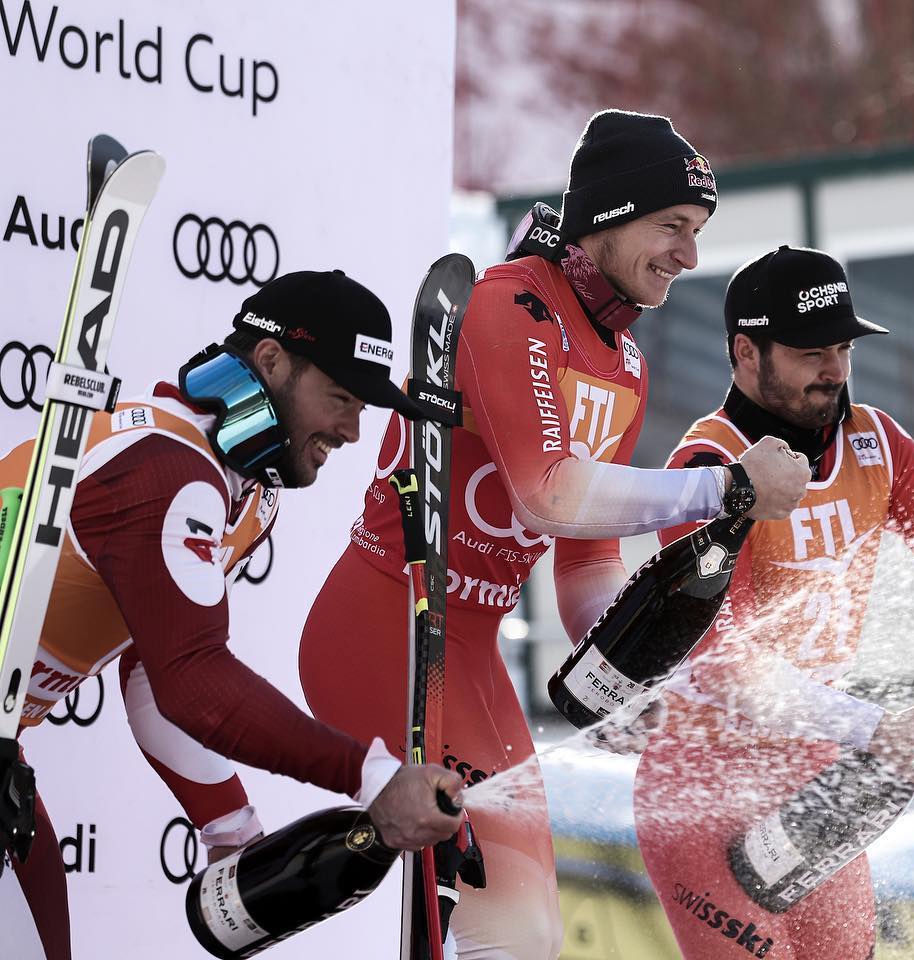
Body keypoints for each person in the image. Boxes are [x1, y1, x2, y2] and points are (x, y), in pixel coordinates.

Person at [297, 110, 811, 959]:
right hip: (386, 626)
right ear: (609, 215)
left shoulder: (625, 361)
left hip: (472, 651)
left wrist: (631, 661)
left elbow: (587, 559)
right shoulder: (511, 304)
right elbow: (547, 495)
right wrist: (730, 487)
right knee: (485, 911)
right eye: (671, 228)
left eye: (697, 234)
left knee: (526, 935)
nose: (689, 256)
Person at [0, 270, 465, 960]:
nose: (350, 429)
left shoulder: (247, 497)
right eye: (340, 397)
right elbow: (192, 677)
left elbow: (153, 675)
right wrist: (373, 779)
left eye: (364, 406)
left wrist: (232, 834)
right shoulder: (163, 470)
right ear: (271, 362)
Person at [630, 246, 914, 959]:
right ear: (746, 353)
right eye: (811, 352)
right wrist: (875, 728)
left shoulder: (878, 441)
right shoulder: (706, 470)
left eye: (843, 347)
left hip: (817, 771)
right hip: (705, 783)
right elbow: (728, 665)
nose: (836, 370)